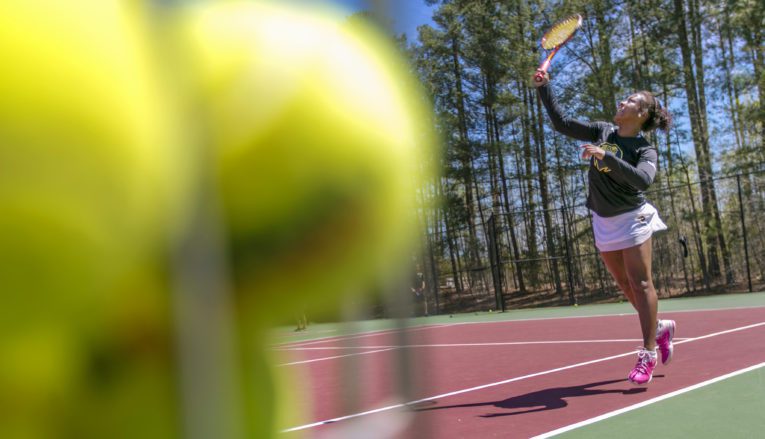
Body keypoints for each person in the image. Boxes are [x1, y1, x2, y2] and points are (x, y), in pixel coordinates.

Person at [533, 70, 676, 385]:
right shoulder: (602, 131)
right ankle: (661, 327)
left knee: (640, 284)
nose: (622, 102)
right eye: (625, 98)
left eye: (631, 101)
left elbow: (642, 180)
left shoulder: (644, 149)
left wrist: (604, 156)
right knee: (625, 286)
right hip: (603, 219)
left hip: (634, 217)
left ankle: (647, 354)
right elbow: (562, 123)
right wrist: (544, 88)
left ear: (641, 114)